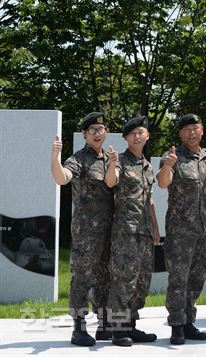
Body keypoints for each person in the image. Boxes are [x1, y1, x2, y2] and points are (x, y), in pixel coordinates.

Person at [51, 112, 113, 346]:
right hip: (87, 232)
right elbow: (62, 178)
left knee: (105, 278)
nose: (98, 134)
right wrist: (55, 157)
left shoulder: (110, 157)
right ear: (84, 134)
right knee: (82, 278)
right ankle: (79, 328)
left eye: (101, 129)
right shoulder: (79, 159)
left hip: (109, 230)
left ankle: (104, 325)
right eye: (93, 130)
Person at [156, 114, 206, 345]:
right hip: (180, 230)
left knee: (197, 277)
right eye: (187, 129)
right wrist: (169, 165)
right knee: (179, 278)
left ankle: (190, 322)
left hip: (203, 228)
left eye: (195, 128)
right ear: (180, 133)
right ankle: (176, 325)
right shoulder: (172, 157)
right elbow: (163, 182)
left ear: (202, 131)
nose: (192, 132)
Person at [105, 116, 160, 347]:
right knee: (123, 280)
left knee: (141, 281)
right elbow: (110, 182)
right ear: (126, 138)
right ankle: (117, 329)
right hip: (126, 232)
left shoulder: (147, 166)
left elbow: (150, 200)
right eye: (133, 134)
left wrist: (156, 227)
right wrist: (111, 164)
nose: (137, 137)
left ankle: (131, 325)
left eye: (141, 132)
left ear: (147, 136)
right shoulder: (121, 162)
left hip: (145, 232)